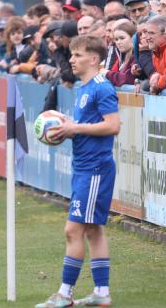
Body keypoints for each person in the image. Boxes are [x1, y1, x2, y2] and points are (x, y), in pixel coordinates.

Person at [38, 35, 120, 308]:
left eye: (77, 55)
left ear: (94, 59)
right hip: (84, 166)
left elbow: (112, 126)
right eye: (71, 55)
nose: (71, 60)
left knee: (73, 230)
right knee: (93, 230)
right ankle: (101, 293)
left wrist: (75, 128)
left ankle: (65, 295)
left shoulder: (101, 87)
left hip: (95, 168)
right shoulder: (84, 88)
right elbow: (91, 125)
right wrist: (69, 127)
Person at [105, 21, 137, 87]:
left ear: (132, 38)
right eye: (116, 39)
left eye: (122, 38)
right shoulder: (121, 57)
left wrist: (107, 73)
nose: (118, 42)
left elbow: (129, 79)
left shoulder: (137, 57)